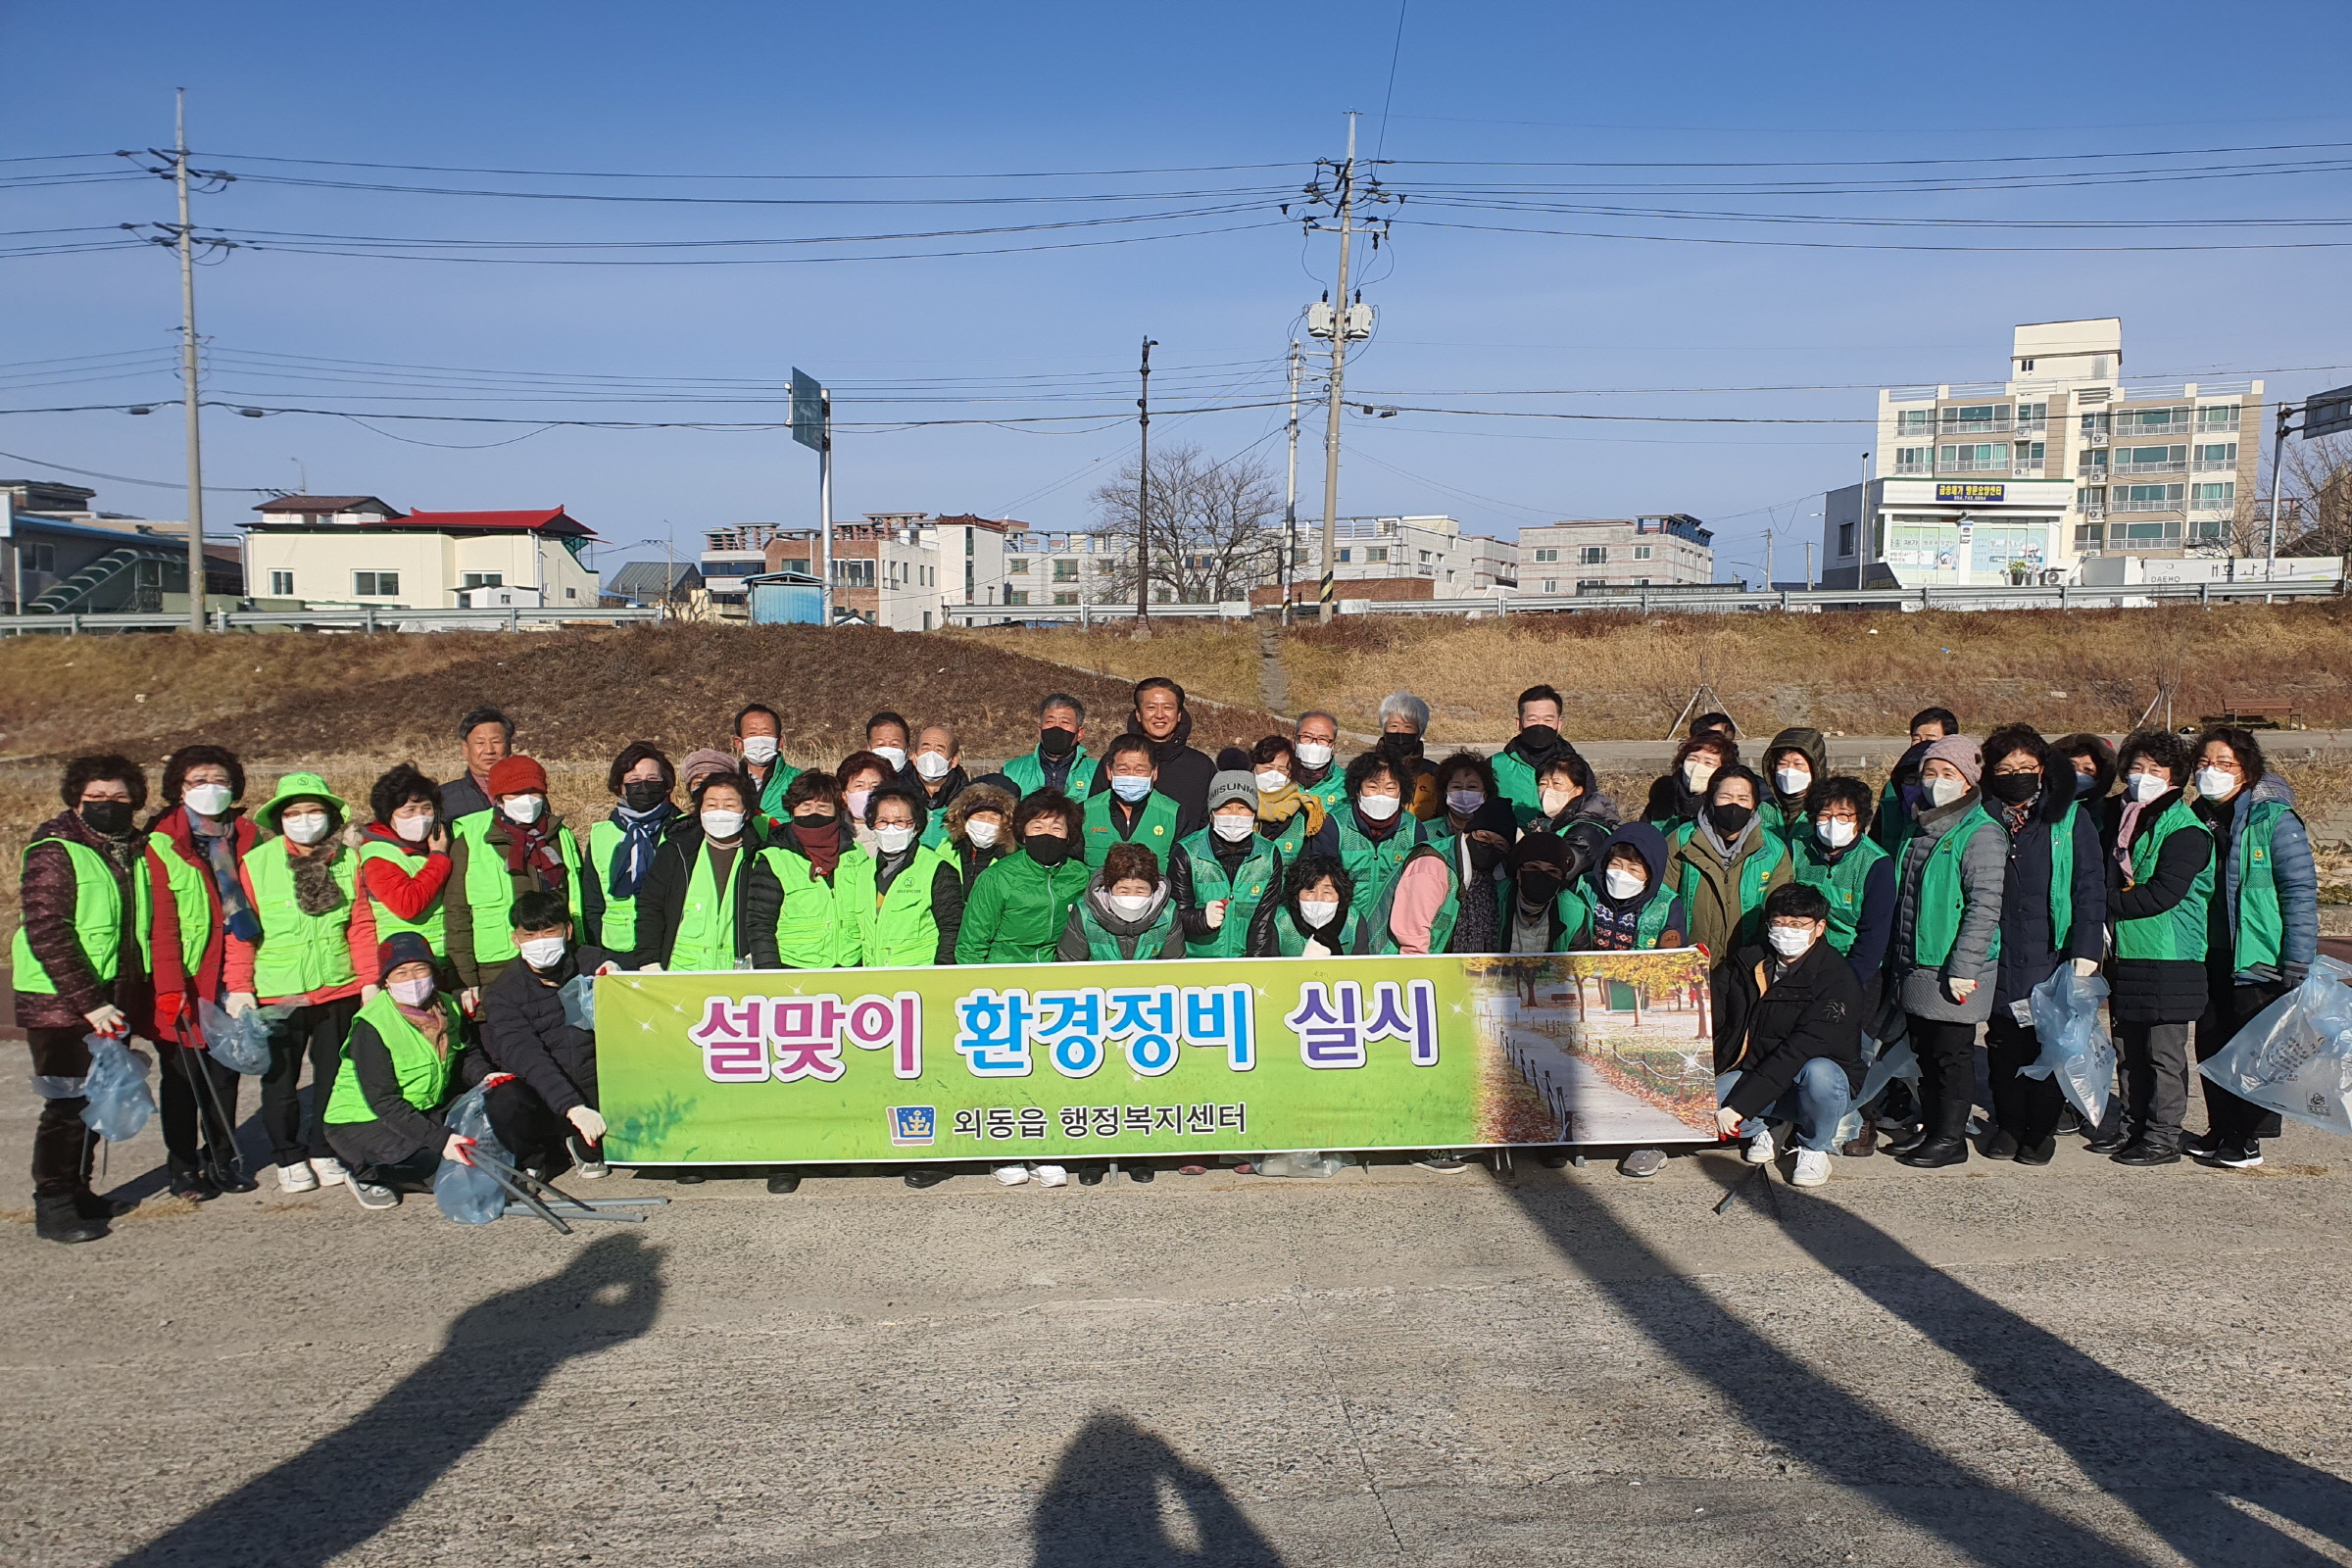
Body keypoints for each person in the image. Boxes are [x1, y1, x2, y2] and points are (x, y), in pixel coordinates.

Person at [15, 755, 153, 1243]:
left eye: (119, 798)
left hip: (111, 993)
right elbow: (47, 929)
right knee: (66, 1105)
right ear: (77, 798)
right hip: (62, 1001)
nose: (108, 806)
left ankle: (80, 1191)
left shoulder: (129, 850)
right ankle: (52, 1202)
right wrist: (88, 1002)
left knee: (96, 1098)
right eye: (96, 797)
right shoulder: (56, 849)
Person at [224, 771, 377, 1197]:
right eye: (294, 812)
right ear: (281, 819)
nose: (305, 819)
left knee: (332, 1077)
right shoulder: (256, 864)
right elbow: (242, 931)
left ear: (329, 815)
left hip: (337, 986)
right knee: (281, 1083)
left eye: (313, 811)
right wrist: (239, 987)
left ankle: (323, 1148)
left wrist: (369, 980)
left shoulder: (350, 860)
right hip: (280, 992)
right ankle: (288, 1157)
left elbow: (360, 925)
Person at [2188, 726, 2320, 1170]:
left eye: (2224, 764)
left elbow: (2299, 892)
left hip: (2260, 958)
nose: (2213, 772)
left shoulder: (2274, 820)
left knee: (2256, 1051)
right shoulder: (2196, 815)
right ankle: (2219, 1127)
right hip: (2210, 955)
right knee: (2211, 1045)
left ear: (2246, 770)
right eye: (2204, 764)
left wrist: (2296, 960)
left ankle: (2247, 1138)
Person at [1979, 725, 2107, 1165]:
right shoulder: (1983, 816)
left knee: (2050, 1044)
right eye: (2005, 768)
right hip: (1997, 950)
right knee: (2003, 1043)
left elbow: (2091, 887)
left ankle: (2041, 1130)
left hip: (2051, 951)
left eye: (2026, 767)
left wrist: (2087, 950)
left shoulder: (2069, 818)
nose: (2016, 775)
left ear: (2043, 769)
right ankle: (2009, 1125)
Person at [2089, 730, 2215, 1167]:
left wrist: (2101, 901)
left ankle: (2163, 1136)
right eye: (2137, 769)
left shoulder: (2186, 830)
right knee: (2127, 1048)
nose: (2143, 778)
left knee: (2162, 1054)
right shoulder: (2124, 817)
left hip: (2170, 955)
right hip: (2126, 952)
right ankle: (2132, 1125)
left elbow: (2162, 894)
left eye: (2155, 771)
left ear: (2175, 778)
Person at [1882, 735, 2005, 1169]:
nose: (1937, 783)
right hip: (1915, 962)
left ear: (1970, 781)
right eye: (1930, 774)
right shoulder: (1920, 827)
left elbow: (1985, 905)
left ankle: (1951, 1139)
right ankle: (1933, 1128)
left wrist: (1964, 965)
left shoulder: (1982, 832)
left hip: (1953, 965)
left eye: (1948, 774)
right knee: (1926, 1053)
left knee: (1952, 1056)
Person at [143, 746, 262, 1200]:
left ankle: (222, 1156)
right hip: (185, 976)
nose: (210, 790)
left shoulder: (249, 836)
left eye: (219, 781)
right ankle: (183, 1165)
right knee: (182, 1077)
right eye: (198, 782)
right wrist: (169, 989)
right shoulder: (161, 842)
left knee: (226, 1072)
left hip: (231, 972)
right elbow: (163, 926)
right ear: (178, 788)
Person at [320, 933, 487, 1210]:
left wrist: (487, 1078)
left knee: (476, 1152)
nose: (413, 980)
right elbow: (383, 1100)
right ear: (386, 981)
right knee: (439, 1168)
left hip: (419, 1109)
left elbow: (467, 1053)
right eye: (401, 973)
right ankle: (366, 1172)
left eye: (420, 969)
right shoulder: (372, 1024)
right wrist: (439, 1139)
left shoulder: (446, 1006)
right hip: (362, 1121)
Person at [1714, 883, 1864, 1190]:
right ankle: (1768, 1125)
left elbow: (1797, 1051)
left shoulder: (1837, 980)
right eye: (1779, 923)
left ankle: (1815, 1146)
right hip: (1759, 1073)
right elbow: (1713, 1010)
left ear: (1819, 928)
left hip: (1822, 1085)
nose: (1786, 931)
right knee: (1704, 1103)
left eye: (1797, 925)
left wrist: (1739, 1107)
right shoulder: (1748, 962)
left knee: (1818, 1071)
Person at [479, 890, 615, 1180]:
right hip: (544, 1093)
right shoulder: (504, 993)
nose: (540, 942)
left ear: (567, 931)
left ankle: (581, 1145)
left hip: (596, 1083)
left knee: (609, 1144)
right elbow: (527, 1056)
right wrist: (572, 1107)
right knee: (505, 1099)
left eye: (548, 931)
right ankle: (533, 1158)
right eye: (529, 935)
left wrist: (620, 980)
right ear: (515, 939)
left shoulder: (593, 964)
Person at [1667, 763, 1792, 1041]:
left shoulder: (1772, 850)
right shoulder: (1681, 841)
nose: (1733, 806)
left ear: (1755, 805)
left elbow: (1778, 909)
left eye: (1743, 799)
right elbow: (1664, 901)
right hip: (1690, 966)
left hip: (1747, 970)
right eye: (1725, 797)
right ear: (1710, 799)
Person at [446, 755, 582, 1004]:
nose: (526, 801)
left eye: (534, 793)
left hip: (556, 963)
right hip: (496, 970)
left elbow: (574, 900)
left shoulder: (560, 836)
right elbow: (457, 913)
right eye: (515, 794)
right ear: (498, 798)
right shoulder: (471, 838)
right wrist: (465, 980)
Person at [629, 768, 758, 971]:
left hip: (738, 973)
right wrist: (649, 960)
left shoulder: (759, 856)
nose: (719, 812)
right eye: (712, 805)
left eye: (730, 805)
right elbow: (651, 906)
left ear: (747, 813)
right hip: (681, 972)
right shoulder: (676, 851)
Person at [1788, 776, 1895, 1007]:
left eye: (1844, 815)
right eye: (1825, 816)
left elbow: (1874, 934)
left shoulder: (1876, 863)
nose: (1833, 823)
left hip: (1853, 968)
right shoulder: (1797, 849)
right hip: (1800, 963)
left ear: (1859, 820)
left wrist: (1849, 981)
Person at [956, 791, 1090, 964]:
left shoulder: (1079, 874)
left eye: (1056, 828)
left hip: (1056, 970)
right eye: (1037, 827)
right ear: (1024, 834)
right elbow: (971, 945)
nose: (1047, 834)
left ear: (1069, 835)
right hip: (1005, 970)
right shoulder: (997, 877)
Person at [744, 771, 860, 970]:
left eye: (823, 808)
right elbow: (760, 923)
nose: (814, 814)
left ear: (836, 812)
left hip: (851, 966)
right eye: (805, 808)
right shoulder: (774, 859)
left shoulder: (856, 855)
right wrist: (770, 971)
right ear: (792, 811)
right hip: (793, 968)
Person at [841, 783, 959, 967]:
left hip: (918, 976)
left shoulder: (938, 869)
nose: (891, 828)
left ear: (916, 826)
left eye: (900, 821)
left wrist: (940, 972)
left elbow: (952, 929)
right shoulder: (863, 870)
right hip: (873, 976)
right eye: (882, 821)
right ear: (873, 825)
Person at [355, 763, 452, 987]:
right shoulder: (378, 856)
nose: (420, 817)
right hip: (405, 967)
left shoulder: (435, 842)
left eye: (426, 809)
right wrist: (438, 855)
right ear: (389, 815)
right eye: (409, 811)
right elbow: (408, 905)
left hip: (443, 959)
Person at [580, 742, 679, 960]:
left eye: (653, 779)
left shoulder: (684, 829)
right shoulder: (601, 834)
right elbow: (593, 901)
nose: (643, 786)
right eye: (634, 780)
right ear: (620, 787)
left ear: (667, 785)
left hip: (672, 949)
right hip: (619, 951)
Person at [1172, 772, 1282, 957]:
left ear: (1254, 813)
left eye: (1242, 808)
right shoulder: (1187, 852)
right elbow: (1174, 915)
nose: (1234, 816)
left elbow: (1264, 921)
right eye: (1225, 807)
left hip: (1243, 963)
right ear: (1212, 812)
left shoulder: (1268, 854)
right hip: (1195, 963)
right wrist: (1201, 919)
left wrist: (1256, 967)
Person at [1091, 677, 1215, 834]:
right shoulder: (1115, 759)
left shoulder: (1201, 766)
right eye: (1151, 707)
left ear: (1179, 715)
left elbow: (1206, 826)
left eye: (1168, 708)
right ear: (1138, 714)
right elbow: (1094, 812)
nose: (1159, 715)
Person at [1335, 748, 1434, 930]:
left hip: (1391, 931)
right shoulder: (1334, 826)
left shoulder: (1414, 829)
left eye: (1390, 788)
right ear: (1358, 790)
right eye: (1372, 787)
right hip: (1344, 930)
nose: (1381, 795)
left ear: (1400, 791)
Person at [1562, 822, 1686, 952]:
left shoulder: (1665, 905)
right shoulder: (1584, 888)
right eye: (1615, 864)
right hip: (1589, 968)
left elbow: (1674, 955)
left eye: (1633, 869)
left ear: (1650, 875)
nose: (1621, 874)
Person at [1059, 841, 1187, 961]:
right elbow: (1069, 964)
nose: (1132, 897)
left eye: (1140, 890)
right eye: (1123, 891)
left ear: (1153, 888)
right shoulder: (1086, 914)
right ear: (1109, 887)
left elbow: (1173, 966)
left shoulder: (1167, 914)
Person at [940, 781, 1017, 959]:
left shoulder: (1010, 857)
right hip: (951, 937)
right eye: (979, 816)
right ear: (964, 819)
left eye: (993, 819)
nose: (985, 824)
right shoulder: (945, 849)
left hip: (991, 945)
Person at [1082, 734, 1183, 869]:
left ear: (1155, 772)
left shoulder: (1174, 815)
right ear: (1109, 772)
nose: (1131, 776)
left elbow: (1181, 872)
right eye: (1123, 769)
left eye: (1140, 770)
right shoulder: (1085, 812)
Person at [1874, 706, 1960, 852]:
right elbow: (1877, 834)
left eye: (1930, 739)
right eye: (1916, 739)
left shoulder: (1955, 786)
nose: (1921, 745)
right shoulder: (1894, 786)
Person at [1247, 854, 1360, 956]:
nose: (1318, 899)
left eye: (1327, 892)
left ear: (1340, 895)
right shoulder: (1279, 920)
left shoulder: (1353, 921)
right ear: (1296, 894)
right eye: (1310, 891)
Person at [1489, 684, 1571, 824]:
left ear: (1559, 724)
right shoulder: (1495, 765)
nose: (1540, 725)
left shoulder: (1575, 767)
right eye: (1532, 719)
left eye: (1548, 720)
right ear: (1519, 723)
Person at [1246, 736, 1335, 861]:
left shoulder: (1306, 812)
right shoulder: (1239, 805)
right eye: (1267, 768)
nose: (1274, 774)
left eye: (1282, 769)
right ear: (1253, 767)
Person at [1003, 693, 1101, 800]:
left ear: (1080, 733)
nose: (1056, 727)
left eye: (1064, 722)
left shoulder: (1096, 772)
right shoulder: (1011, 772)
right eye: (1050, 721)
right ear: (1040, 731)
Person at [1644, 732, 1737, 829]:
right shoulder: (1663, 796)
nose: (1698, 766)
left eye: (1709, 762)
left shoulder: (1725, 805)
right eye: (1693, 759)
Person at [733, 703, 802, 829]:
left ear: (780, 741)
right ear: (739, 743)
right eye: (752, 734)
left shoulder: (801, 780)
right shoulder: (727, 782)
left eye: (766, 733)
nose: (760, 740)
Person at [440, 706, 513, 821]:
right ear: (465, 748)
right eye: (480, 743)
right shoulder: (444, 797)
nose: (489, 750)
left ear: (509, 747)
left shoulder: (529, 794)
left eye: (496, 742)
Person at [1375, 693, 1441, 819]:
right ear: (1384, 729)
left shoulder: (1434, 773)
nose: (1400, 731)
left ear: (1419, 732)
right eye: (1393, 726)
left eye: (1408, 727)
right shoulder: (1365, 768)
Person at [1758, 726, 1828, 846]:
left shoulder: (1826, 810)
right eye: (1782, 764)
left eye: (1798, 764)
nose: (1789, 771)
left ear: (1815, 769)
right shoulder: (1762, 810)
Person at [909, 724, 967, 844]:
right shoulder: (897, 794)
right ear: (914, 758)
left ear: (953, 761)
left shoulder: (967, 802)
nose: (931, 756)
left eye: (939, 750)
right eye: (925, 749)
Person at [1430, 752, 1497, 847]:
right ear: (1445, 792)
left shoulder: (1496, 833)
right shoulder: (1425, 831)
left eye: (1472, 786)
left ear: (1485, 794)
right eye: (1456, 787)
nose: (1464, 792)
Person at [835, 750, 895, 850]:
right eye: (859, 785)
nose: (867, 792)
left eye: (875, 786)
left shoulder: (898, 829)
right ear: (844, 795)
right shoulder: (833, 831)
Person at [1293, 710, 1347, 812]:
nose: (1314, 744)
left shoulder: (1346, 783)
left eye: (1323, 739)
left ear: (1333, 744)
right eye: (1307, 736)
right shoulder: (1278, 776)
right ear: (1295, 738)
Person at [864, 710, 913, 783]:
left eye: (895, 745)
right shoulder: (857, 780)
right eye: (880, 745)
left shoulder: (919, 783)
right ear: (868, 749)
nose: (888, 750)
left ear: (907, 749)